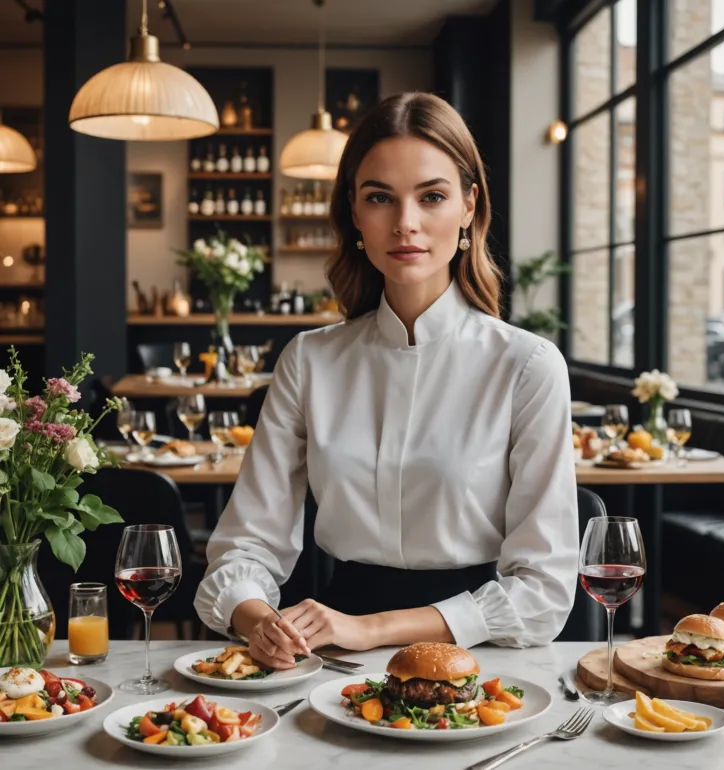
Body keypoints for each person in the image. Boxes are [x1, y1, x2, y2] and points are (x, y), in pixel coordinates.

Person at [195, 92, 578, 670]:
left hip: (481, 653)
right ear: (354, 212)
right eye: (380, 198)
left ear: (469, 207)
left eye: (432, 197)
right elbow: (244, 545)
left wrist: (369, 629)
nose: (406, 223)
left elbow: (542, 593)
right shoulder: (309, 360)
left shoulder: (527, 365)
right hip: (327, 655)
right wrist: (261, 622)